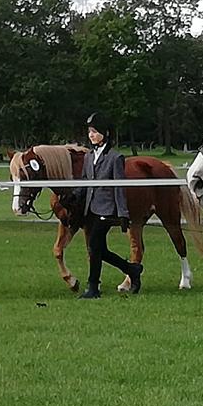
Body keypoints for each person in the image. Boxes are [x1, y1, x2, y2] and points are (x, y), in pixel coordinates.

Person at [78, 111, 141, 299]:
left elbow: (119, 187)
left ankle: (93, 287)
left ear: (105, 133)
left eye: (95, 131)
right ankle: (132, 269)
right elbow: (85, 181)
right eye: (89, 131)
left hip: (107, 210)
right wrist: (73, 195)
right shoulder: (89, 156)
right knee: (100, 249)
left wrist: (123, 214)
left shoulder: (115, 157)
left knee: (93, 245)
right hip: (91, 209)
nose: (91, 135)